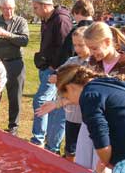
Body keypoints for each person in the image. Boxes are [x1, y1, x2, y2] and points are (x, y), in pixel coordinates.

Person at [54, 64, 125, 173]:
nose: (70, 102)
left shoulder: (89, 95)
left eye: (66, 97)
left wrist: (104, 164)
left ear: (70, 87)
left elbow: (101, 137)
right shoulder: (106, 84)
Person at [75, 22, 125, 172]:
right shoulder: (92, 63)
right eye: (89, 48)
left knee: (103, 167)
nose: (91, 52)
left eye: (94, 48)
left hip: (112, 130)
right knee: (82, 164)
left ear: (108, 42)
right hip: (90, 122)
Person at [31, 0, 72, 154]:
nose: (34, 11)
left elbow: (66, 49)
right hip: (46, 68)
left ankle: (38, 140)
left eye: (36, 7)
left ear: (45, 5)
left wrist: (54, 68)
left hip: (55, 71)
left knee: (41, 101)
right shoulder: (46, 19)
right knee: (53, 106)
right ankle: (51, 145)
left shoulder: (61, 20)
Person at [42, 26, 90, 161]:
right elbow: (58, 73)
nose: (78, 49)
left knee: (86, 152)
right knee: (70, 149)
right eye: (75, 45)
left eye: (81, 45)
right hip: (72, 116)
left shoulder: (94, 64)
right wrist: (55, 77)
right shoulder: (72, 61)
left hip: (87, 117)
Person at [0, 0, 29, 135]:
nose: (9, 11)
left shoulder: (21, 21)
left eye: (11, 8)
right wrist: (14, 39)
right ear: (0, 8)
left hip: (15, 63)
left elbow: (24, 41)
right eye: (6, 9)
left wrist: (6, 34)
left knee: (15, 97)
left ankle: (13, 127)